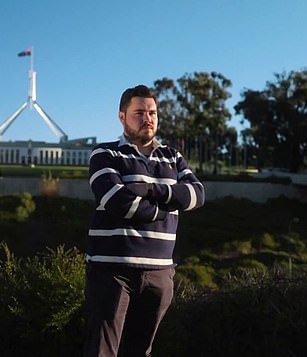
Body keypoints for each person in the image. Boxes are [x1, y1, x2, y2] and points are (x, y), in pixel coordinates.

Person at [85, 84, 205, 357]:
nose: (147, 118)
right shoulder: (105, 154)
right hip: (112, 271)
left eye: (152, 112)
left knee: (140, 351)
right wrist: (164, 209)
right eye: (139, 112)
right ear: (122, 117)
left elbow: (197, 195)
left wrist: (153, 190)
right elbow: (116, 200)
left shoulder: (172, 156)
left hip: (160, 274)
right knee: (103, 351)